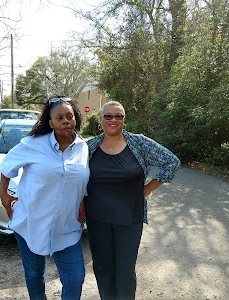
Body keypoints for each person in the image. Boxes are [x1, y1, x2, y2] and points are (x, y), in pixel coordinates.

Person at [84, 101, 181, 300]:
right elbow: (73, 177)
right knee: (103, 268)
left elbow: (171, 162)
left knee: (125, 271)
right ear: (100, 120)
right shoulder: (88, 147)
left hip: (130, 219)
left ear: (124, 120)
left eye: (118, 116)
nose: (113, 120)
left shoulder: (139, 143)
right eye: (108, 116)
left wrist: (146, 190)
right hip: (97, 219)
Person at [0, 96, 90, 300]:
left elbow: (82, 185)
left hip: (67, 228)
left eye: (69, 116)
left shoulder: (84, 149)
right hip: (30, 224)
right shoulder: (33, 144)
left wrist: (82, 211)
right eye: (59, 118)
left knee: (75, 279)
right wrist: (3, 195)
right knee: (34, 275)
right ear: (50, 123)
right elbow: (7, 166)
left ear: (75, 118)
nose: (65, 121)